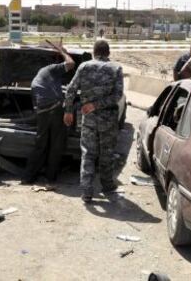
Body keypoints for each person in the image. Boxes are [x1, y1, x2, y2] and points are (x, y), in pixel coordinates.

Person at [64, 40, 124, 203]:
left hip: (89, 118)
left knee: (88, 153)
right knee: (107, 152)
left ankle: (86, 190)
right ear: (108, 53)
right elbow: (117, 96)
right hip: (108, 119)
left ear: (93, 52)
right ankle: (107, 185)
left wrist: (68, 111)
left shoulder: (83, 67)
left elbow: (70, 90)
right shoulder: (116, 68)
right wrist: (97, 105)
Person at [21, 43, 75, 186]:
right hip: (55, 109)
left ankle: (28, 177)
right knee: (56, 145)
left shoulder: (38, 79)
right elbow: (71, 63)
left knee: (40, 145)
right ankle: (50, 178)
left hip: (42, 112)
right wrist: (63, 51)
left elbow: (36, 106)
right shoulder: (50, 69)